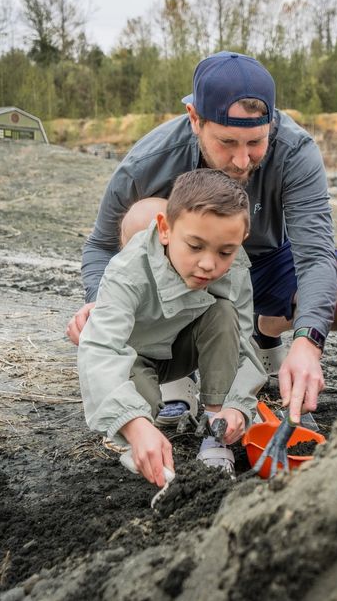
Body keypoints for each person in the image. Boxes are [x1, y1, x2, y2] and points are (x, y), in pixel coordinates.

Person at [67, 51, 337, 425]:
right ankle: (174, 368)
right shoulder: (151, 158)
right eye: (227, 142)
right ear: (195, 120)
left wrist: (308, 341)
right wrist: (99, 302)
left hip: (267, 264)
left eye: (256, 142)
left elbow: (316, 255)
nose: (242, 160)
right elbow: (101, 245)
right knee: (143, 217)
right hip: (190, 277)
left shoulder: (295, 150)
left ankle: (266, 329)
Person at [78, 169, 266, 485]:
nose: (209, 264)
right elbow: (102, 350)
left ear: (240, 241)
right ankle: (139, 425)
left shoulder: (235, 271)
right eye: (195, 246)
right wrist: (135, 424)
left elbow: (244, 345)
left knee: (223, 313)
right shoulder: (127, 271)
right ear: (165, 229)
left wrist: (238, 406)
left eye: (225, 252)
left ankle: (214, 428)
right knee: (138, 415)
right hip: (134, 359)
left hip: (181, 351)